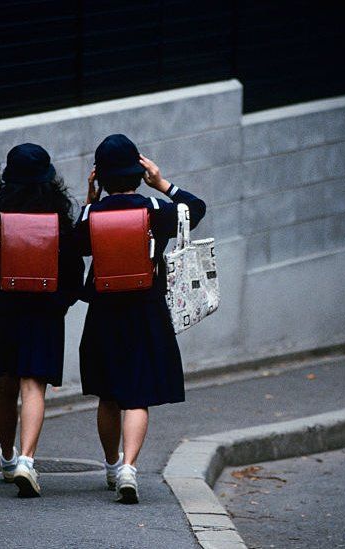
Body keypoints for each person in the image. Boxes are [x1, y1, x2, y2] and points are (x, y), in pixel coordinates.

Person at [75, 134, 206, 504]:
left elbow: (73, 245)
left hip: (103, 312)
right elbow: (196, 208)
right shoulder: (155, 209)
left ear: (99, 177)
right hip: (145, 309)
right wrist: (162, 183)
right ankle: (131, 467)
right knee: (137, 394)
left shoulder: (91, 216)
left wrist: (90, 200)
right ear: (138, 171)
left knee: (108, 395)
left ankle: (113, 465)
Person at [0, 143, 84, 497]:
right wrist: (59, 304)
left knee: (6, 386)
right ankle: (27, 461)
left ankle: (5, 456)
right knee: (35, 387)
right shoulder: (60, 222)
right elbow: (74, 272)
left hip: (4, 309)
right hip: (44, 311)